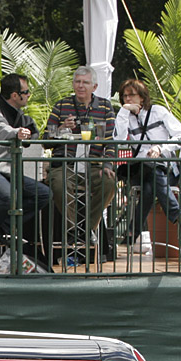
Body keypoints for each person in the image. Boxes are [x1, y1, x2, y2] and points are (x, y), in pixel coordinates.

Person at [0, 72, 52, 267]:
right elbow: (0, 132)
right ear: (15, 95)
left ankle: (5, 224)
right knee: (8, 195)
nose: (29, 95)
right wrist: (17, 133)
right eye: (26, 92)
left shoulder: (19, 115)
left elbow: (33, 135)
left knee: (43, 193)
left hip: (6, 171)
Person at [45, 66, 118, 262]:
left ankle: (85, 230)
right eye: (77, 82)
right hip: (65, 163)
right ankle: (73, 229)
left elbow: (111, 141)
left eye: (85, 82)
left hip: (93, 164)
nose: (80, 86)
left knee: (109, 183)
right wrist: (61, 129)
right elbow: (46, 139)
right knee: (59, 185)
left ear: (94, 86)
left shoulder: (104, 107)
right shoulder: (61, 106)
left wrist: (108, 165)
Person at [113, 78, 181, 248]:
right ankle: (178, 215)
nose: (128, 99)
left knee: (150, 187)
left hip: (166, 169)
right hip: (139, 171)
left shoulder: (158, 112)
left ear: (142, 97)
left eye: (132, 95)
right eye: (124, 96)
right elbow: (118, 140)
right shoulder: (125, 117)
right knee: (151, 169)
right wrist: (123, 112)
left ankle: (132, 232)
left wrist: (161, 148)